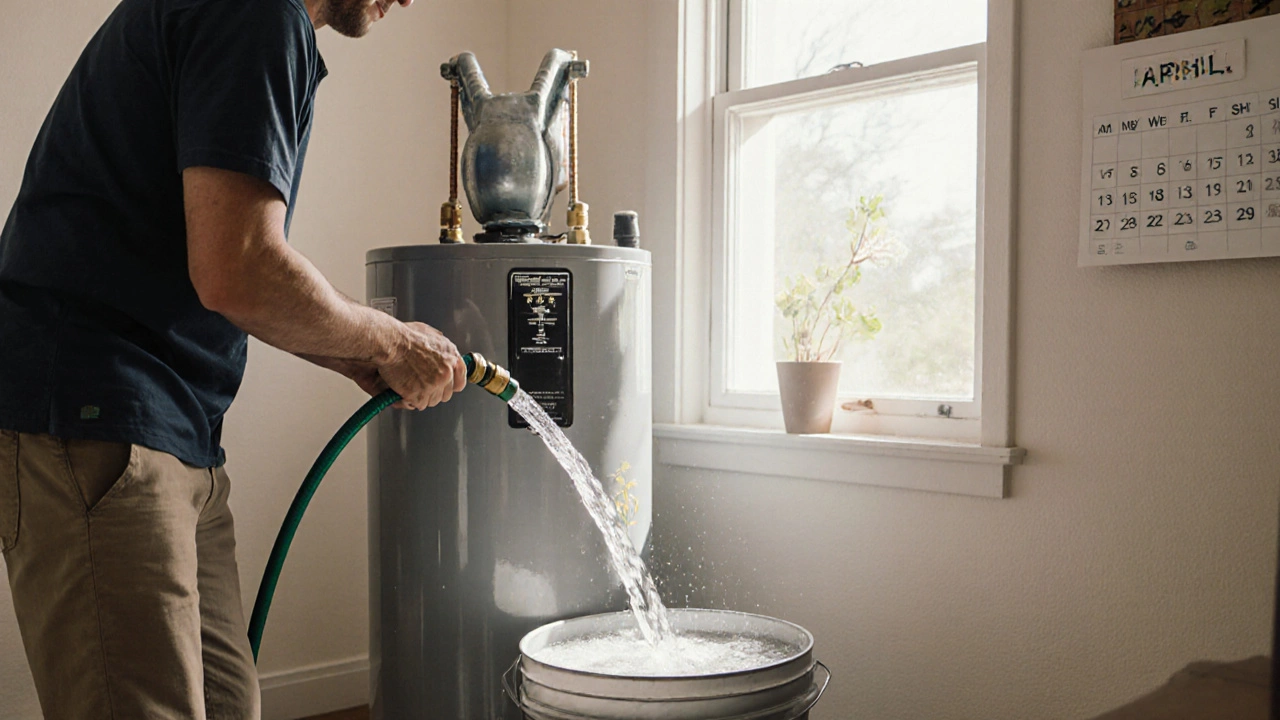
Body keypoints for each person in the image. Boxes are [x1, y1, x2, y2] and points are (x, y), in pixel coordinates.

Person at [0, 0, 464, 717]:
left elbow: (224, 268)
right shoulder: (254, 13)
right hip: (100, 421)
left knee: (224, 704)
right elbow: (239, 268)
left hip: (169, 432)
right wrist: (389, 340)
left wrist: (353, 357)